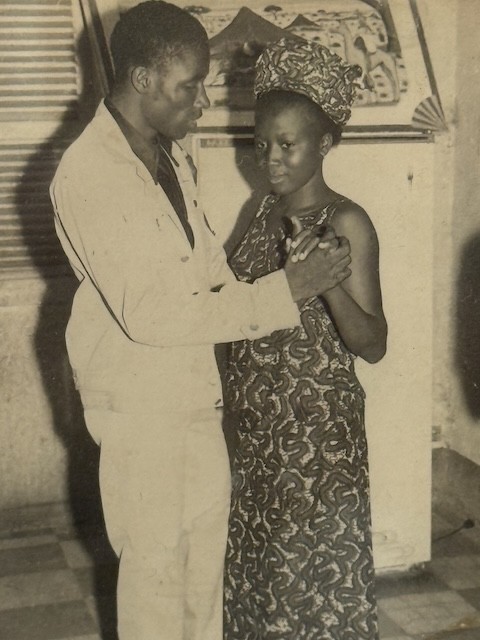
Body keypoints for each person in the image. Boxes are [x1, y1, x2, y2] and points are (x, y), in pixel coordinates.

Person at [49, 4, 353, 640]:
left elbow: (209, 266)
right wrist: (286, 290)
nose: (204, 101)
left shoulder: (169, 156)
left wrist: (284, 282)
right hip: (140, 406)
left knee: (202, 576)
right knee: (156, 579)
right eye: (190, 86)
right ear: (142, 80)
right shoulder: (91, 172)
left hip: (192, 394)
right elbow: (153, 315)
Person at [223, 38, 388, 640]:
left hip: (316, 442)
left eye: (287, 145)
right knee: (263, 583)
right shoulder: (259, 214)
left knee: (312, 588)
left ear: (323, 144)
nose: (270, 159)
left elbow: (373, 343)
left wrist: (326, 282)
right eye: (260, 144)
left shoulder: (346, 220)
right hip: (257, 436)